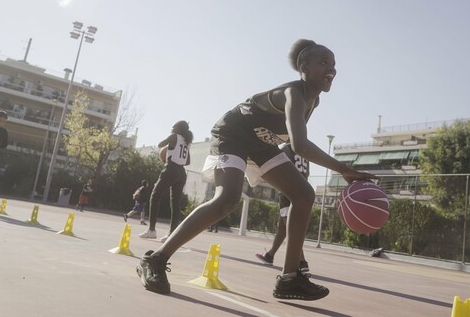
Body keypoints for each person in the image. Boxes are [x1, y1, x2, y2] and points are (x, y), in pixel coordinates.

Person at [136, 39, 376, 301]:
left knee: (304, 194)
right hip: (234, 133)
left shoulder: (313, 101)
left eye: (333, 64)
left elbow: (291, 143)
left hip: (261, 143)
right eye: (323, 62)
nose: (331, 69)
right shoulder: (293, 93)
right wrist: (343, 168)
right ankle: (155, 260)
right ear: (303, 67)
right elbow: (299, 144)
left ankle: (289, 279)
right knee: (227, 199)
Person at [255, 144, 310, 273]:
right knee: (283, 226)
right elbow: (307, 172)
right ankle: (270, 255)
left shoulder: (286, 149)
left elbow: (277, 166)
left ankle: (301, 261)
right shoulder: (304, 151)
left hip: (288, 190)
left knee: (291, 227)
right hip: (302, 187)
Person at [139, 121, 193, 241]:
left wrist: (166, 149)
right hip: (181, 172)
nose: (172, 128)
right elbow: (187, 161)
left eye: (174, 126)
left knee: (155, 196)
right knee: (176, 203)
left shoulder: (174, 136)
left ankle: (152, 230)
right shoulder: (186, 142)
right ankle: (172, 234)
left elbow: (160, 144)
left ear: (178, 128)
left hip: (171, 168)